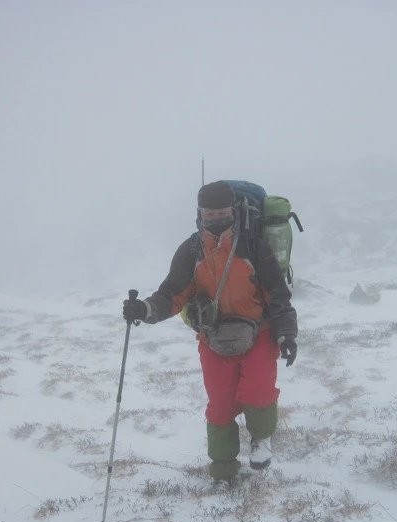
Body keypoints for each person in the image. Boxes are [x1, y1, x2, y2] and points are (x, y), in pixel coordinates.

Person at [122, 181, 298, 481]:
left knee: (258, 391)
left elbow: (277, 294)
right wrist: (145, 310)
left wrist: (287, 334)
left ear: (234, 210)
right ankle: (222, 470)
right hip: (213, 338)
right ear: (200, 213)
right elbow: (172, 294)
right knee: (220, 405)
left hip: (259, 333)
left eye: (222, 212)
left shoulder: (253, 244)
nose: (216, 218)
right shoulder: (191, 250)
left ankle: (261, 441)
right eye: (210, 213)